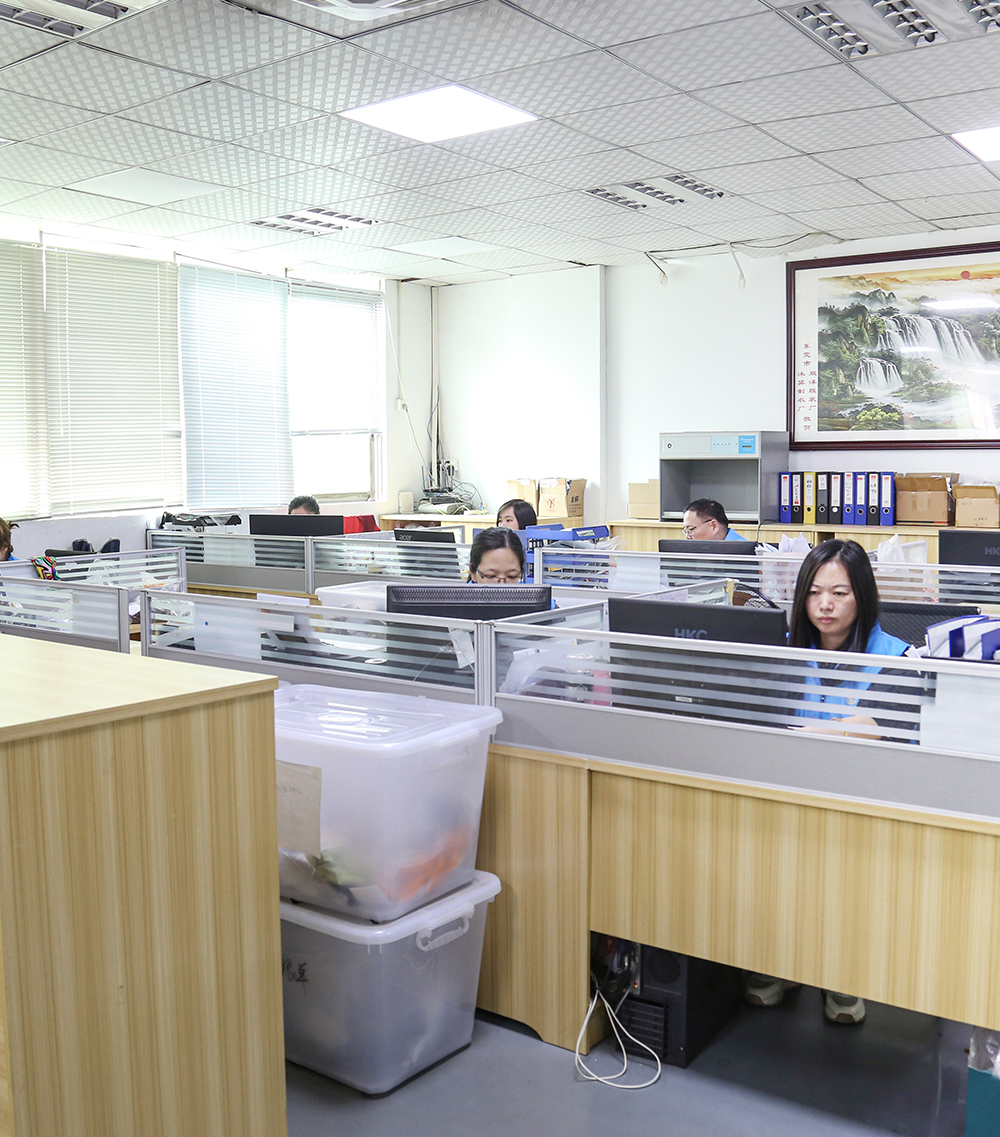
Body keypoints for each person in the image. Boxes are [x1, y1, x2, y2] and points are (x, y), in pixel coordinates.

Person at [746, 539, 913, 1025]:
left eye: (839, 593)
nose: (825, 604)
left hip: (860, 797)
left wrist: (799, 734)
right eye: (815, 592)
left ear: (862, 596)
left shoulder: (898, 656)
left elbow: (875, 724)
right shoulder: (783, 650)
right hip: (787, 788)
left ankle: (843, 972)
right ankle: (779, 961)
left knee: (844, 872)